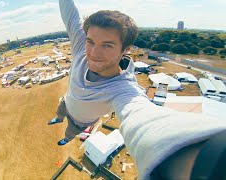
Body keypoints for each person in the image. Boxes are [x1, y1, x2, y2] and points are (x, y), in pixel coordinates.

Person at [48, 0, 226, 179]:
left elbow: (142, 116)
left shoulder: (123, 89)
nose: (94, 52)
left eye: (107, 45)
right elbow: (69, 12)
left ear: (126, 49)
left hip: (79, 122)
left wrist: (208, 156)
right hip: (65, 101)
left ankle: (67, 138)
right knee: (59, 112)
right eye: (91, 41)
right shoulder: (80, 46)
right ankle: (58, 118)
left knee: (69, 132)